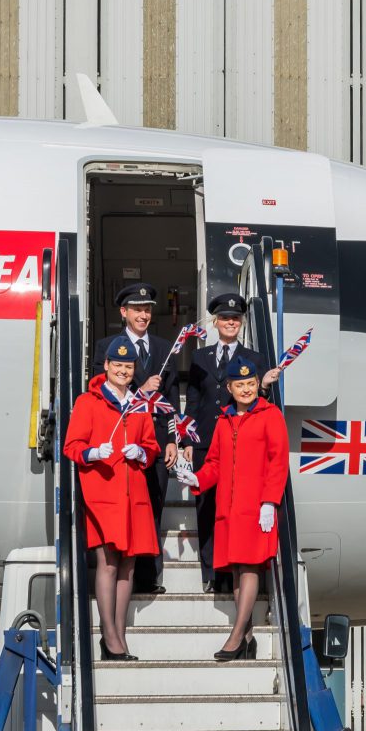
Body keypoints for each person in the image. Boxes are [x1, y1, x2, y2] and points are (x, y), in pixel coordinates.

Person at [177, 357, 288, 661]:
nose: (247, 389)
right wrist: (197, 477)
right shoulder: (224, 421)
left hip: (256, 508)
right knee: (238, 571)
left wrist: (269, 501)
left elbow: (279, 461)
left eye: (251, 384)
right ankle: (248, 638)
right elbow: (214, 462)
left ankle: (236, 636)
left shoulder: (270, 415)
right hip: (229, 508)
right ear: (229, 387)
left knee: (250, 567)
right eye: (240, 385)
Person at [66, 336, 159, 661]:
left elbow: (151, 446)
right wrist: (92, 452)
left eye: (128, 366)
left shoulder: (139, 405)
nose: (122, 370)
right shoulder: (88, 402)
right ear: (106, 366)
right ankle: (109, 636)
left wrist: (143, 452)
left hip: (133, 494)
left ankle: (118, 636)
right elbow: (72, 446)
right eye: (117, 364)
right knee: (107, 564)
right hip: (102, 494)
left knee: (129, 567)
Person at [182, 293, 280, 593]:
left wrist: (262, 386)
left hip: (239, 443)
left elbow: (255, 400)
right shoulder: (200, 357)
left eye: (235, 319)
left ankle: (230, 573)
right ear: (216, 322)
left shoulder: (254, 359)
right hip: (206, 442)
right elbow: (194, 399)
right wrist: (188, 437)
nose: (230, 323)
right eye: (225, 318)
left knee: (234, 511)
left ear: (241, 323)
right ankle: (211, 571)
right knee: (207, 508)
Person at [92, 283, 179, 596]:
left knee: (151, 508)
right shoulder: (106, 346)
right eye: (137, 309)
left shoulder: (162, 346)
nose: (143, 315)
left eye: (147, 309)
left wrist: (172, 438)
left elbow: (171, 398)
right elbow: (97, 388)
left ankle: (148, 577)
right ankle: (119, 574)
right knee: (122, 510)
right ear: (123, 312)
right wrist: (140, 393)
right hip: (121, 438)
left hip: (153, 438)